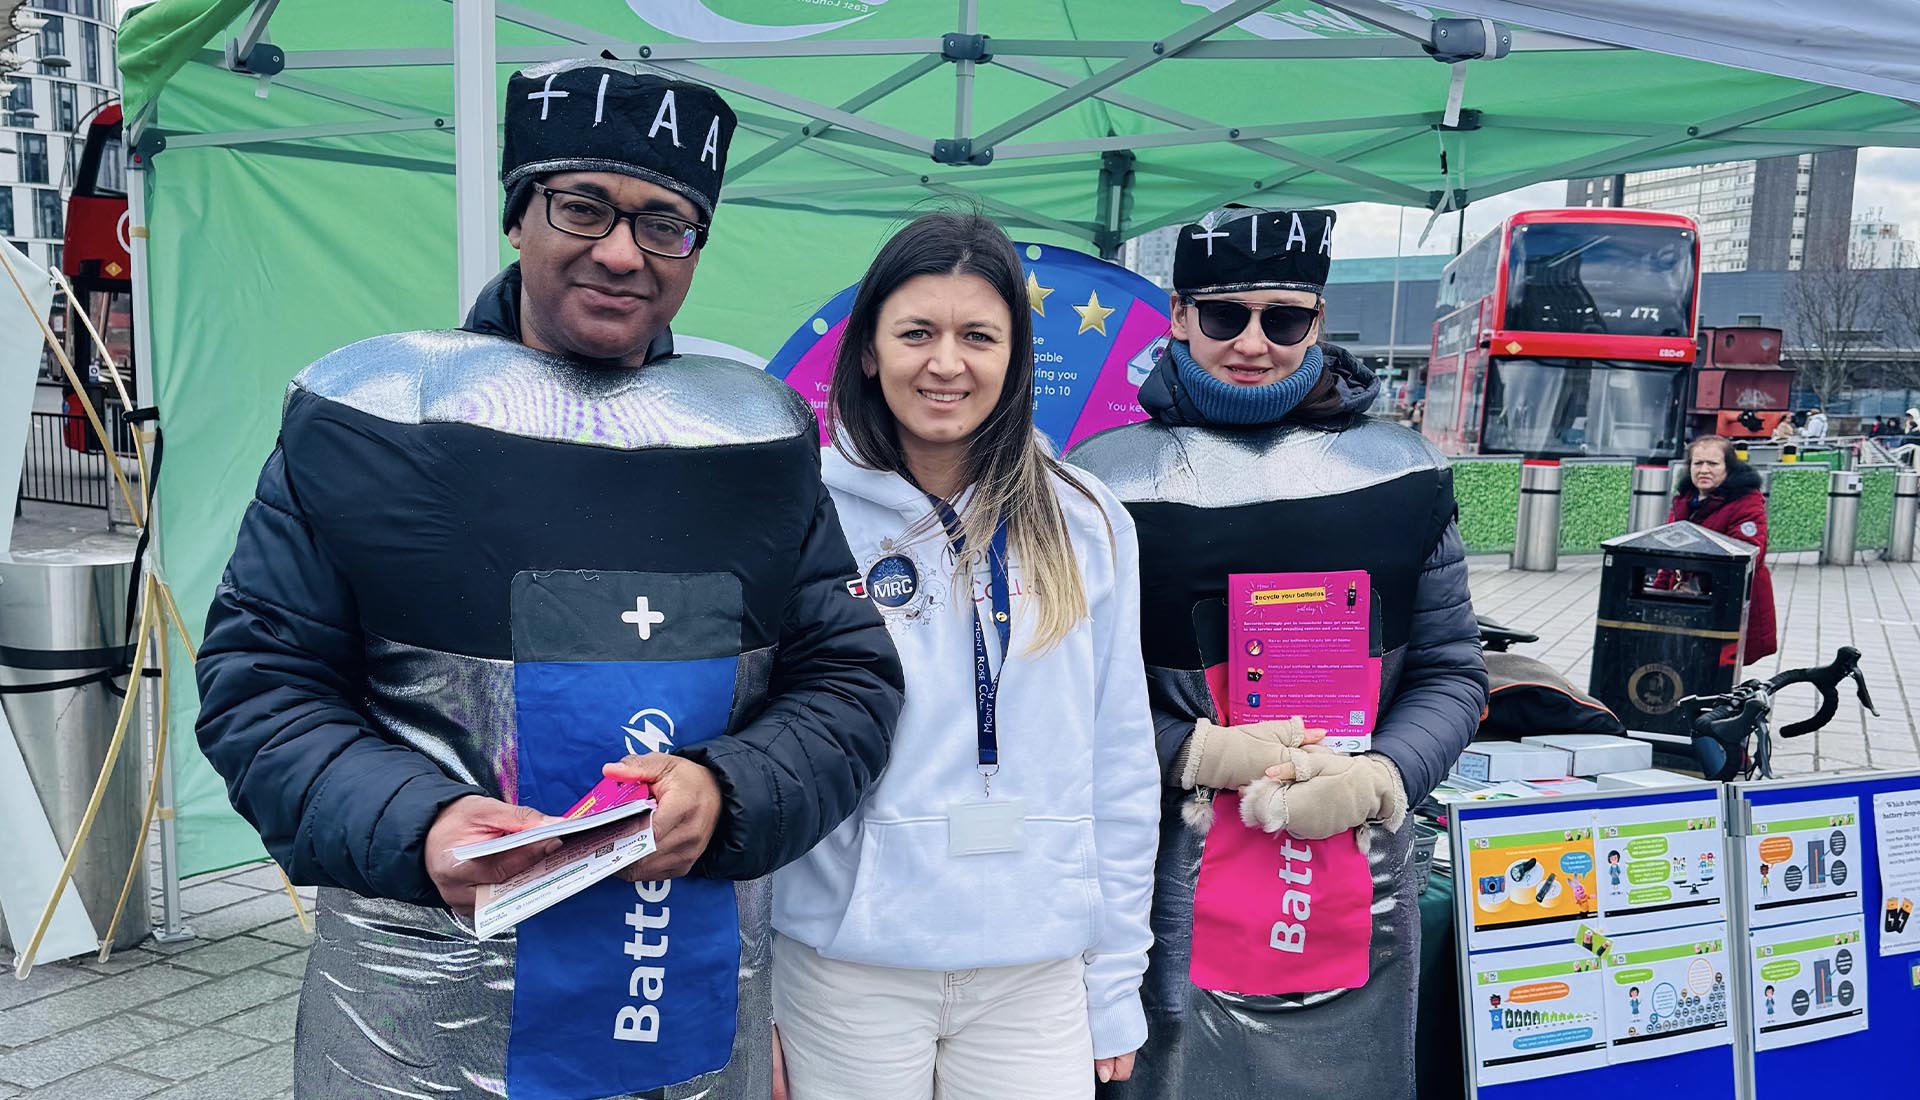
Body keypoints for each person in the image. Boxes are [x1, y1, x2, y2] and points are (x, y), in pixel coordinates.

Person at [194, 61, 904, 1100]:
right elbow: (261, 682)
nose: (622, 252)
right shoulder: (374, 415)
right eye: (584, 206)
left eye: (666, 223)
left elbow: (851, 683)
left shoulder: (755, 438)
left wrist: (729, 789)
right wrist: (416, 821)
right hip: (424, 1026)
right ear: (520, 215)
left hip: (680, 1010)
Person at [1068, 208, 1487, 1100]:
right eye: (1224, 315)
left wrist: (1386, 776)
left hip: (1356, 860)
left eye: (1285, 318)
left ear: (1319, 321)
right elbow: (1058, 691)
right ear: (1179, 315)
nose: (1254, 343)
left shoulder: (1402, 471)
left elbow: (1452, 670)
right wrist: (1189, 748)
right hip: (1162, 868)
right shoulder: (1102, 479)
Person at [770, 213, 1160, 1100]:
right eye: (916, 333)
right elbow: (763, 747)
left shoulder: (1089, 520)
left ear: (1015, 356)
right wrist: (759, 986)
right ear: (868, 350)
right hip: (847, 968)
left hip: (1037, 970)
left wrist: (1113, 979)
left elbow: (1120, 760)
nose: (946, 363)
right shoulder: (804, 509)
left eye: (977, 336)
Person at [1667, 434, 1777, 664]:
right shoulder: (1685, 501)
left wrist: (1698, 585)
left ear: (1728, 468)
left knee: (1716, 673)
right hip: (1688, 604)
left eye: (1713, 463)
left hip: (1728, 605)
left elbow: (1747, 555)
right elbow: (1667, 549)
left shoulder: (1746, 503)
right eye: (1698, 463)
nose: (1704, 470)